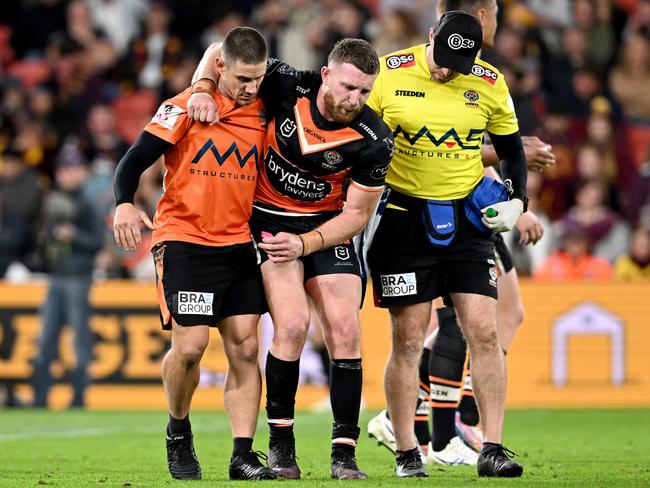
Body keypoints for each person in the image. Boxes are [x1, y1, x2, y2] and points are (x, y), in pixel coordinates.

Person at [188, 38, 393, 480]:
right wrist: (202, 88)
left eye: (363, 92)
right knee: (294, 325)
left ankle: (344, 455)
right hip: (269, 223)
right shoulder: (285, 83)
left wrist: (307, 243)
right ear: (326, 75)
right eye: (347, 87)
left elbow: (357, 216)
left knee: (345, 331)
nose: (353, 100)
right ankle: (282, 448)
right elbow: (216, 49)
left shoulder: (374, 139)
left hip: (326, 230)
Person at [366, 6, 528, 478]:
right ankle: (407, 451)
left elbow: (514, 150)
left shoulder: (489, 82)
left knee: (485, 330)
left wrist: (519, 201)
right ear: (431, 34)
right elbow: (357, 138)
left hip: (466, 221)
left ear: (475, 56)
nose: (443, 69)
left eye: (455, 65)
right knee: (409, 339)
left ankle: (492, 448)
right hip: (402, 220)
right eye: (439, 57)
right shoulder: (390, 73)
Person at [112, 27, 276, 481]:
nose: (251, 88)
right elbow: (134, 159)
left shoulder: (263, 109)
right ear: (220, 68)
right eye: (243, 79)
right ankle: (178, 432)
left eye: (258, 79)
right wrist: (124, 202)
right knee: (190, 349)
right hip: (185, 240)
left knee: (245, 346)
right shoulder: (185, 106)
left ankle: (242, 455)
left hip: (239, 244)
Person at [32, 140, 104, 409]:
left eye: (71, 169)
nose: (66, 174)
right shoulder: (54, 199)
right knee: (45, 338)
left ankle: (78, 398)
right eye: (63, 169)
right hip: (57, 275)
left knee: (79, 341)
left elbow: (97, 241)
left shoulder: (88, 202)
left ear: (82, 171)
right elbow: (43, 237)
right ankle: (39, 398)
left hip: (78, 277)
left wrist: (73, 235)